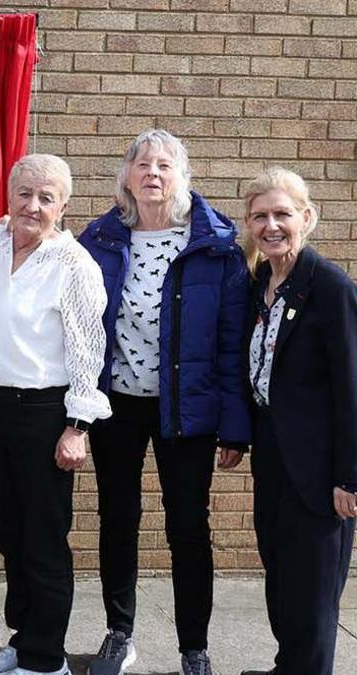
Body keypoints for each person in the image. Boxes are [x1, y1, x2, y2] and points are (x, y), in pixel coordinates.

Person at [78, 129, 250, 675]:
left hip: (188, 409)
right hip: (118, 407)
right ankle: (118, 632)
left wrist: (234, 426)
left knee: (187, 527)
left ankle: (193, 647)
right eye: (143, 164)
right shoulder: (98, 240)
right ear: (126, 175)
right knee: (118, 518)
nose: (153, 173)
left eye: (164, 165)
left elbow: (232, 341)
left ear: (182, 176)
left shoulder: (216, 245)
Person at [0, 154, 110, 675]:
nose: (32, 205)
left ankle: (47, 659)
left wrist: (77, 427)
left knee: (43, 537)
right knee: (8, 532)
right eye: (24, 193)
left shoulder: (74, 265)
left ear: (63, 207)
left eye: (46, 198)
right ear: (9, 197)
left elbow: (88, 351)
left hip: (44, 414)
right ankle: (25, 637)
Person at [237, 168, 357, 675]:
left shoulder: (329, 287)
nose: (271, 225)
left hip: (320, 474)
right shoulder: (261, 282)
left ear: (307, 218)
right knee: (282, 582)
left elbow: (353, 387)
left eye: (282, 214)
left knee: (312, 599)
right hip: (274, 463)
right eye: (260, 216)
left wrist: (349, 477)